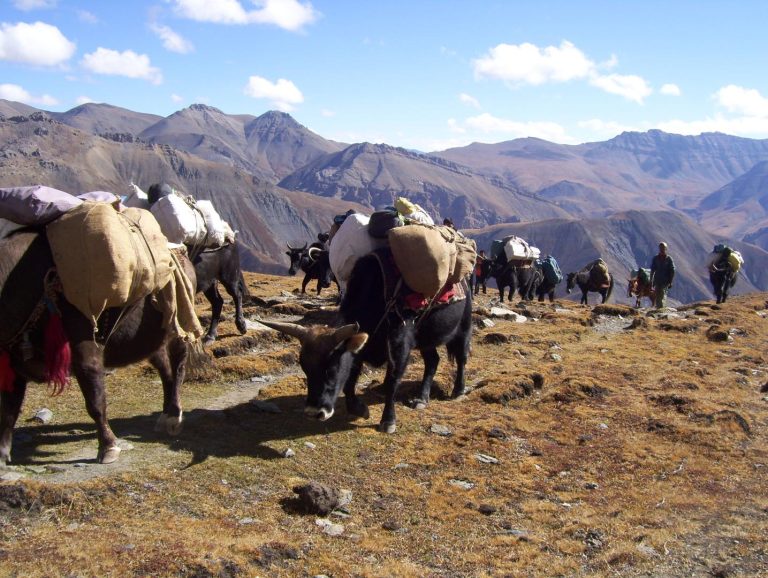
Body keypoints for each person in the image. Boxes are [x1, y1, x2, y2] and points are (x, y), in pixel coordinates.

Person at [650, 242, 675, 308]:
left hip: (665, 281)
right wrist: (651, 280)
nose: (661, 249)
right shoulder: (655, 258)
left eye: (663, 248)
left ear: (665, 249)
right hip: (657, 280)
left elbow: (672, 270)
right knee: (658, 295)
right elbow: (652, 270)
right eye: (660, 248)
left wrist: (670, 281)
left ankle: (661, 309)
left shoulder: (669, 259)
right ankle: (659, 309)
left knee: (662, 294)